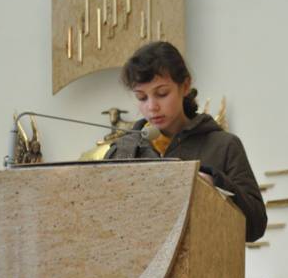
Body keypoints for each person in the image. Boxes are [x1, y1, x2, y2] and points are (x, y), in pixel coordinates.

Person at [105, 41, 267, 242]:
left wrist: (215, 183)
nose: (152, 107)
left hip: (203, 260)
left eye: (162, 93)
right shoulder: (122, 151)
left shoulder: (224, 146)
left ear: (185, 86)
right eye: (141, 97)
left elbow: (255, 226)